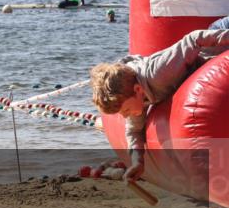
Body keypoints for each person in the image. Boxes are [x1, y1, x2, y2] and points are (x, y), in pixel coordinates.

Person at [89, 29, 229, 182]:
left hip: (218, 40)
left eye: (126, 110)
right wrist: (137, 162)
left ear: (137, 90)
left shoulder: (158, 74)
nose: (125, 116)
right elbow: (134, 131)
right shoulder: (137, 97)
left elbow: (193, 39)